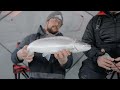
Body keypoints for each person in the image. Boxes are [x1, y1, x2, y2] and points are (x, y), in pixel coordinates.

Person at [11, 11, 73, 79]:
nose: (57, 23)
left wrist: (63, 60)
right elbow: (14, 58)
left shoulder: (65, 41)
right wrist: (20, 54)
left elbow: (69, 64)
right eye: (55, 20)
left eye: (60, 23)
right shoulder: (31, 38)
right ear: (47, 21)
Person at [78, 11, 120, 79]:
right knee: (87, 73)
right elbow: (86, 42)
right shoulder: (95, 20)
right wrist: (97, 57)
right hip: (102, 57)